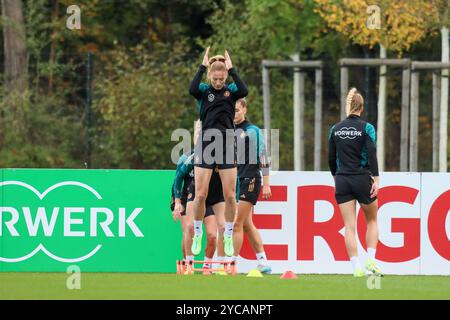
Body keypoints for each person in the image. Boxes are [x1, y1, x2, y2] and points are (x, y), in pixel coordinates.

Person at [189, 47, 248, 257]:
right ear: (210, 76)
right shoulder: (204, 90)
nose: (218, 82)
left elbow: (244, 90)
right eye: (215, 79)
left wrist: (232, 70)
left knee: (230, 196)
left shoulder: (231, 91)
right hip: (206, 143)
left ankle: (228, 234)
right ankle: (197, 233)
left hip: (226, 144)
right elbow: (191, 88)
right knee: (200, 195)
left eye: (221, 78)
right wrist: (202, 66)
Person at [328, 87, 383, 277]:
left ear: (348, 106)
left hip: (343, 179)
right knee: (372, 220)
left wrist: (336, 176)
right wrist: (376, 179)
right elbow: (372, 153)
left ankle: (356, 268)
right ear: (362, 107)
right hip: (361, 178)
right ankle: (372, 262)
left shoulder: (335, 129)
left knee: (349, 226)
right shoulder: (367, 128)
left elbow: (330, 157)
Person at [171, 121, 218, 274]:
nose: (201, 137)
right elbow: (177, 180)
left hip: (207, 200)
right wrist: (177, 203)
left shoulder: (216, 158)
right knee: (188, 229)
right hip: (187, 199)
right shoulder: (187, 157)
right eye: (198, 133)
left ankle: (207, 266)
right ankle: (188, 264)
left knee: (212, 235)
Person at [233, 98, 272, 273]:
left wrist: (266, 184)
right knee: (247, 224)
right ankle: (263, 262)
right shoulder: (228, 131)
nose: (234, 114)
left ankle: (230, 264)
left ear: (244, 110)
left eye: (237, 110)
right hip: (236, 181)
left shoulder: (253, 131)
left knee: (236, 223)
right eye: (232, 110)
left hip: (250, 179)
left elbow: (263, 156)